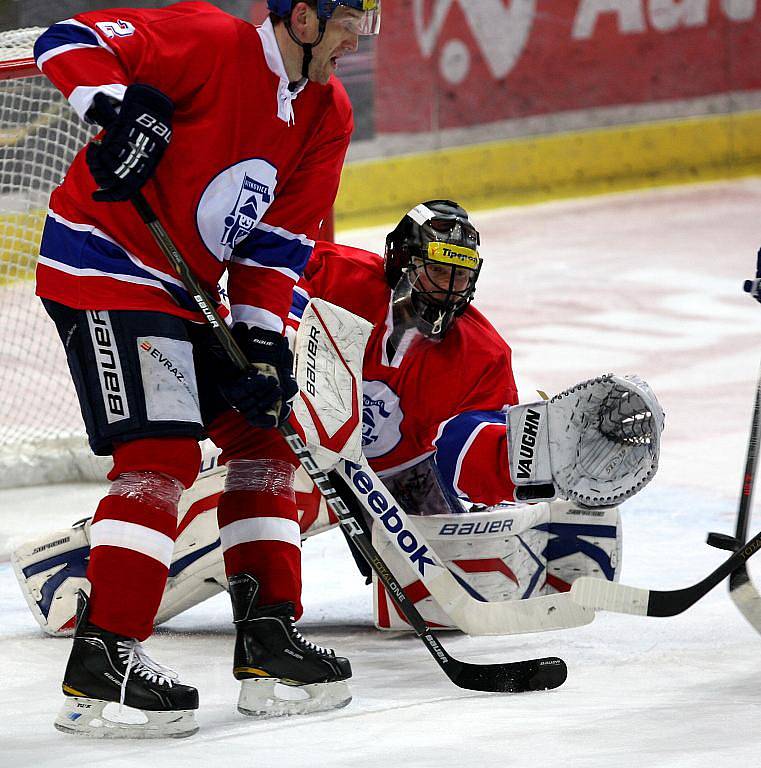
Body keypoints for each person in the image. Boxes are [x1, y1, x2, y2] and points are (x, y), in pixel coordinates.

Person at [32, 0, 380, 738]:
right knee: (160, 454)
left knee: (264, 437)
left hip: (188, 291)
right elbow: (68, 38)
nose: (360, 35)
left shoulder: (327, 111)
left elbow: (277, 243)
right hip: (104, 268)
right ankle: (105, 654)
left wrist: (261, 344)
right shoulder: (209, 38)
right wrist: (117, 111)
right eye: (351, 17)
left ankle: (266, 643)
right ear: (305, 19)